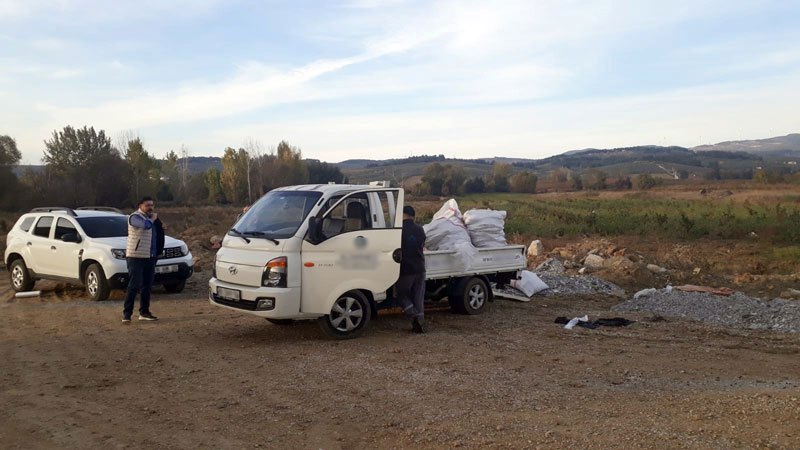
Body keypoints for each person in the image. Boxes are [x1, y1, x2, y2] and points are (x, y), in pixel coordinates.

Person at [122, 197, 164, 323]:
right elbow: (145, 226)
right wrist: (153, 220)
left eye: (152, 205)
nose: (150, 208)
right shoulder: (135, 217)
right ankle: (127, 314)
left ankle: (144, 312)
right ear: (140, 206)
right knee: (134, 286)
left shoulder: (153, 219)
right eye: (147, 205)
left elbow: (158, 233)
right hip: (136, 256)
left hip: (150, 257)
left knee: (147, 286)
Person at [396, 205, 427, 333]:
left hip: (406, 269)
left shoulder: (399, 230)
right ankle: (420, 322)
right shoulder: (420, 229)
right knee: (418, 297)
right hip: (420, 268)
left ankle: (413, 316)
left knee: (401, 295)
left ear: (402, 215)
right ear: (414, 217)